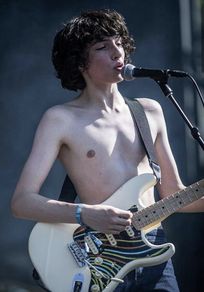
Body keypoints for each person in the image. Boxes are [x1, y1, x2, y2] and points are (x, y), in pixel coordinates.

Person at [11, 9, 204, 292]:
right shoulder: (60, 119)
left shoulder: (150, 111)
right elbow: (22, 202)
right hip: (98, 261)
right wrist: (84, 214)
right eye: (102, 47)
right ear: (79, 63)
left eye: (119, 42)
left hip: (154, 255)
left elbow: (176, 196)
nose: (117, 53)